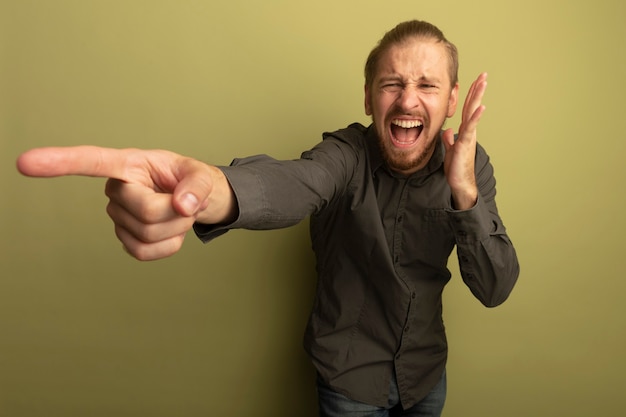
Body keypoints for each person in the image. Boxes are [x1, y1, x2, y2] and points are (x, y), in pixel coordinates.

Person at [17, 19, 519, 417]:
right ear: (369, 97)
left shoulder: (472, 170)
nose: (408, 99)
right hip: (349, 382)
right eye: (392, 83)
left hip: (426, 376)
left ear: (452, 100)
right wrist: (212, 190)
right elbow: (296, 182)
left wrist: (463, 191)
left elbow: (495, 288)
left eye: (427, 85)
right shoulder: (344, 154)